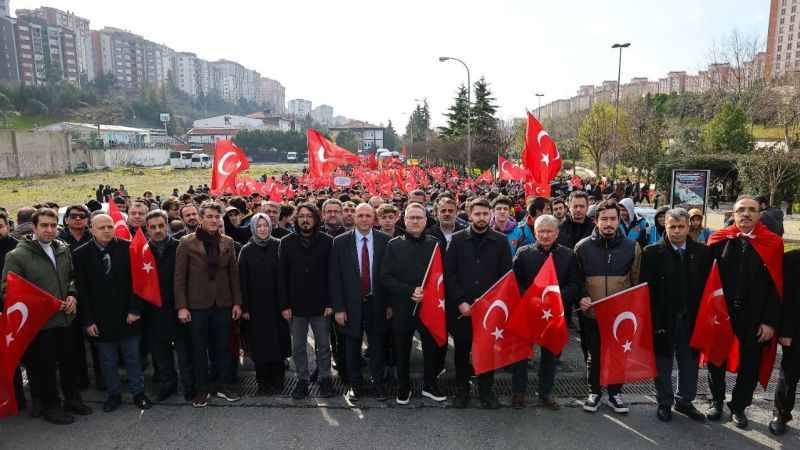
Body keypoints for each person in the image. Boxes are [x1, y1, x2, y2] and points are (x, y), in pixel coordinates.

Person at [1, 208, 92, 424]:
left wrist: (72, 294)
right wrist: (41, 303)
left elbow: (71, 276)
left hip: (66, 318)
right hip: (41, 324)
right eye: (44, 225)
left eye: (53, 225)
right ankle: (52, 406)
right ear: (34, 227)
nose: (49, 230)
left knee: (69, 362)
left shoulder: (63, 248)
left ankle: (73, 399)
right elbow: (8, 289)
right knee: (47, 367)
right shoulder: (17, 255)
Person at [705, 196, 782, 428]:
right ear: (734, 214)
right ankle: (716, 401)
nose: (746, 214)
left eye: (752, 210)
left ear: (760, 214)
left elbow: (776, 287)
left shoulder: (773, 243)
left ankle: (738, 407)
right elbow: (706, 281)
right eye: (741, 210)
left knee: (750, 364)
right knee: (715, 360)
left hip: (755, 316)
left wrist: (769, 322)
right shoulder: (717, 240)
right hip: (720, 314)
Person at [74, 213, 151, 413]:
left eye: (110, 226)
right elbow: (82, 290)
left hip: (128, 315)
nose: (107, 230)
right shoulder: (81, 253)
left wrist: (135, 309)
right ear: (91, 229)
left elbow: (139, 282)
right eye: (101, 228)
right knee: (107, 361)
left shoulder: (129, 248)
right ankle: (113, 395)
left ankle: (138, 393)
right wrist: (88, 320)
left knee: (133, 358)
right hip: (100, 319)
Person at [639, 208, 712, 423]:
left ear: (689, 227)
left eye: (681, 227)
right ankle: (664, 402)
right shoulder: (651, 253)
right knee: (662, 363)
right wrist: (651, 321)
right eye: (673, 227)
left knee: (689, 363)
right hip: (663, 320)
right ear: (665, 226)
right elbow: (645, 290)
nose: (677, 231)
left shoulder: (702, 252)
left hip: (691, 319)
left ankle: (685, 401)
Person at [445, 197, 513, 409]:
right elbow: (449, 274)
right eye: (477, 214)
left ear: (490, 214)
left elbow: (506, 276)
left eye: (485, 214)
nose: (482, 218)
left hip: (489, 310)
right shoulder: (456, 240)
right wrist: (460, 302)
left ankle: (486, 392)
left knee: (487, 351)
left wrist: (493, 304)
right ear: (469, 214)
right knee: (462, 351)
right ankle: (462, 391)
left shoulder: (501, 241)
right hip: (462, 309)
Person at [510, 214, 584, 409]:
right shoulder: (523, 253)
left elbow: (575, 284)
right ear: (535, 233)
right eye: (541, 231)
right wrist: (531, 298)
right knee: (521, 355)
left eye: (549, 231)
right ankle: (519, 392)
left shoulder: (568, 255)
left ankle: (546, 393)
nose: (545, 235)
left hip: (555, 314)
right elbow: (514, 282)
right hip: (527, 312)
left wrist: (556, 297)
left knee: (550, 355)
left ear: (557, 233)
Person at [174, 201, 243, 408]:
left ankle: (222, 386)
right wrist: (182, 306)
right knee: (198, 349)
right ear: (201, 219)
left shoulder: (228, 242)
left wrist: (237, 302)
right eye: (209, 217)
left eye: (217, 217)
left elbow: (233, 275)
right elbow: (179, 277)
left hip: (223, 304)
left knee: (222, 348)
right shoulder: (187, 243)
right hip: (196, 306)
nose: (213, 220)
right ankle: (202, 389)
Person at [576, 200, 641, 414]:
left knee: (618, 355)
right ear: (596, 220)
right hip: (592, 314)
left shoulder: (632, 246)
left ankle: (615, 393)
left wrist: (631, 308)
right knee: (593, 355)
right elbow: (577, 280)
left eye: (613, 219)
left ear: (619, 219)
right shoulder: (582, 247)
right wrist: (582, 297)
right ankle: (594, 391)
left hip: (620, 317)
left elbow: (636, 280)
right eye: (604, 219)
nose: (608, 223)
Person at [382, 203, 447, 404]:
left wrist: (428, 294)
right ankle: (403, 386)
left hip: (430, 306)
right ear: (405, 220)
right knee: (402, 348)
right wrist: (410, 291)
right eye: (412, 218)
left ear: (426, 221)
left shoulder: (436, 244)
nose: (416, 221)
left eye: (419, 217)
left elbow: (443, 276)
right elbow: (386, 277)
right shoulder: (394, 244)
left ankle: (430, 384)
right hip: (403, 306)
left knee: (431, 348)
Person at [330, 204, 391, 402]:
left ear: (374, 218)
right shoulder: (340, 242)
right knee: (351, 346)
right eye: (360, 215)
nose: (364, 219)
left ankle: (378, 384)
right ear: (354, 217)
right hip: (350, 305)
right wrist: (338, 308)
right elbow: (335, 278)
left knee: (377, 346)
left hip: (377, 302)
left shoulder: (385, 241)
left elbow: (389, 275)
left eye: (368, 216)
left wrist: (389, 305)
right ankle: (355, 385)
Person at [278, 203, 335, 399]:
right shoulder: (285, 242)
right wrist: (284, 305)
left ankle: (325, 378)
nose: (305, 219)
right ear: (296, 219)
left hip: (321, 304)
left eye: (309, 216)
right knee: (298, 346)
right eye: (301, 216)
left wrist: (330, 302)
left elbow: (332, 274)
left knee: (323, 345)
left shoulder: (327, 241)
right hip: (295, 306)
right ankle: (302, 380)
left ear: (316, 219)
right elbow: (282, 276)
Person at [142, 210, 193, 402]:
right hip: (154, 311)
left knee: (184, 353)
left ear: (168, 226)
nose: (157, 230)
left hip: (178, 308)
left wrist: (185, 305)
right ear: (147, 229)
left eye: (161, 226)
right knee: (161, 354)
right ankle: (167, 385)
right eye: (153, 227)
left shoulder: (181, 247)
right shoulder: (142, 251)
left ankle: (189, 386)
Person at [239, 213, 289, 395]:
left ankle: (279, 381)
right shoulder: (246, 250)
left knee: (278, 344)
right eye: (258, 226)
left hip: (278, 305)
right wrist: (244, 307)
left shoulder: (279, 245)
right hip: (256, 306)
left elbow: (286, 277)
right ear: (253, 228)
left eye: (265, 225)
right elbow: (242, 281)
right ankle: (263, 383)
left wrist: (286, 304)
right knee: (260, 346)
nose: (262, 229)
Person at [771, 248, 800, 435]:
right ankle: (781, 414)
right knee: (789, 375)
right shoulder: (792, 259)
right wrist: (785, 331)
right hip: (796, 331)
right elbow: (786, 299)